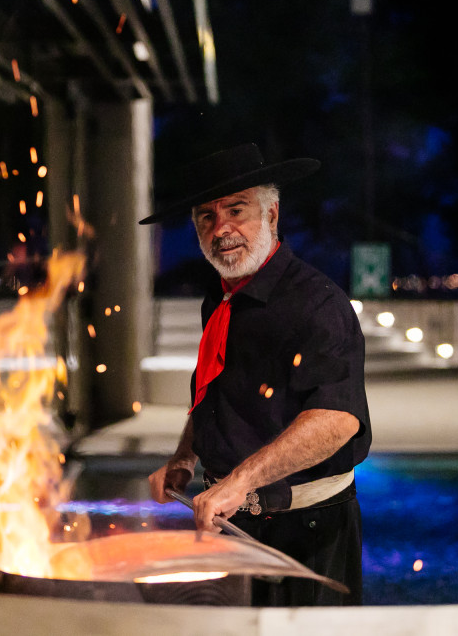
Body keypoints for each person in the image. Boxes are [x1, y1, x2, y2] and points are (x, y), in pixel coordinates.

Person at [141, 143, 371, 607]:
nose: (220, 228)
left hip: (307, 530)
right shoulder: (221, 298)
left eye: (236, 210)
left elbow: (337, 420)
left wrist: (240, 481)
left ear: (271, 216)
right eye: (206, 216)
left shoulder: (318, 304)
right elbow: (216, 390)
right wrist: (186, 456)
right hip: (232, 522)